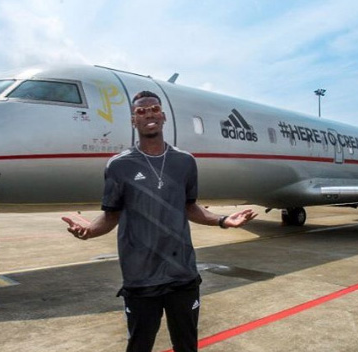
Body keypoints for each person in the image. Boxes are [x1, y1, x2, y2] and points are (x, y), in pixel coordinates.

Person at [62, 90, 256, 352]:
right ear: (134, 121)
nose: (149, 114)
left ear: (163, 116)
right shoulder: (119, 166)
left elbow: (190, 208)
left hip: (183, 274)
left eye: (154, 109)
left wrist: (223, 220)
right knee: (139, 345)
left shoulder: (185, 162)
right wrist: (89, 231)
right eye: (141, 111)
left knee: (187, 346)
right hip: (140, 278)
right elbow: (111, 215)